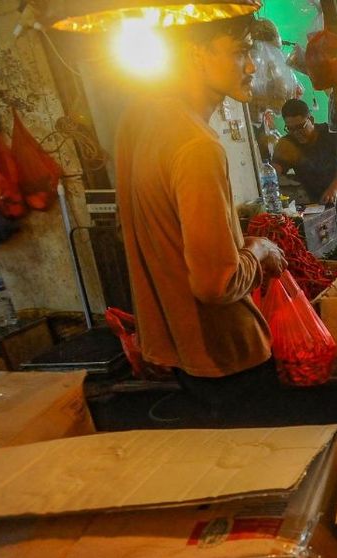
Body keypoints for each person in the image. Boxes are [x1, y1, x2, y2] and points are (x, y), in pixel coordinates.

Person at [114, 15, 289, 422]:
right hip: (226, 359)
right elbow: (217, 283)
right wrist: (259, 248)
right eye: (240, 51)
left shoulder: (138, 123)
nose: (252, 66)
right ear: (195, 54)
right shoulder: (197, 147)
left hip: (182, 352)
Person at [272, 98, 337, 206]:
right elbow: (273, 173)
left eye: (300, 127)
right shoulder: (287, 144)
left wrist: (334, 188)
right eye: (290, 129)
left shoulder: (330, 133)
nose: (296, 133)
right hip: (316, 202)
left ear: (311, 120)